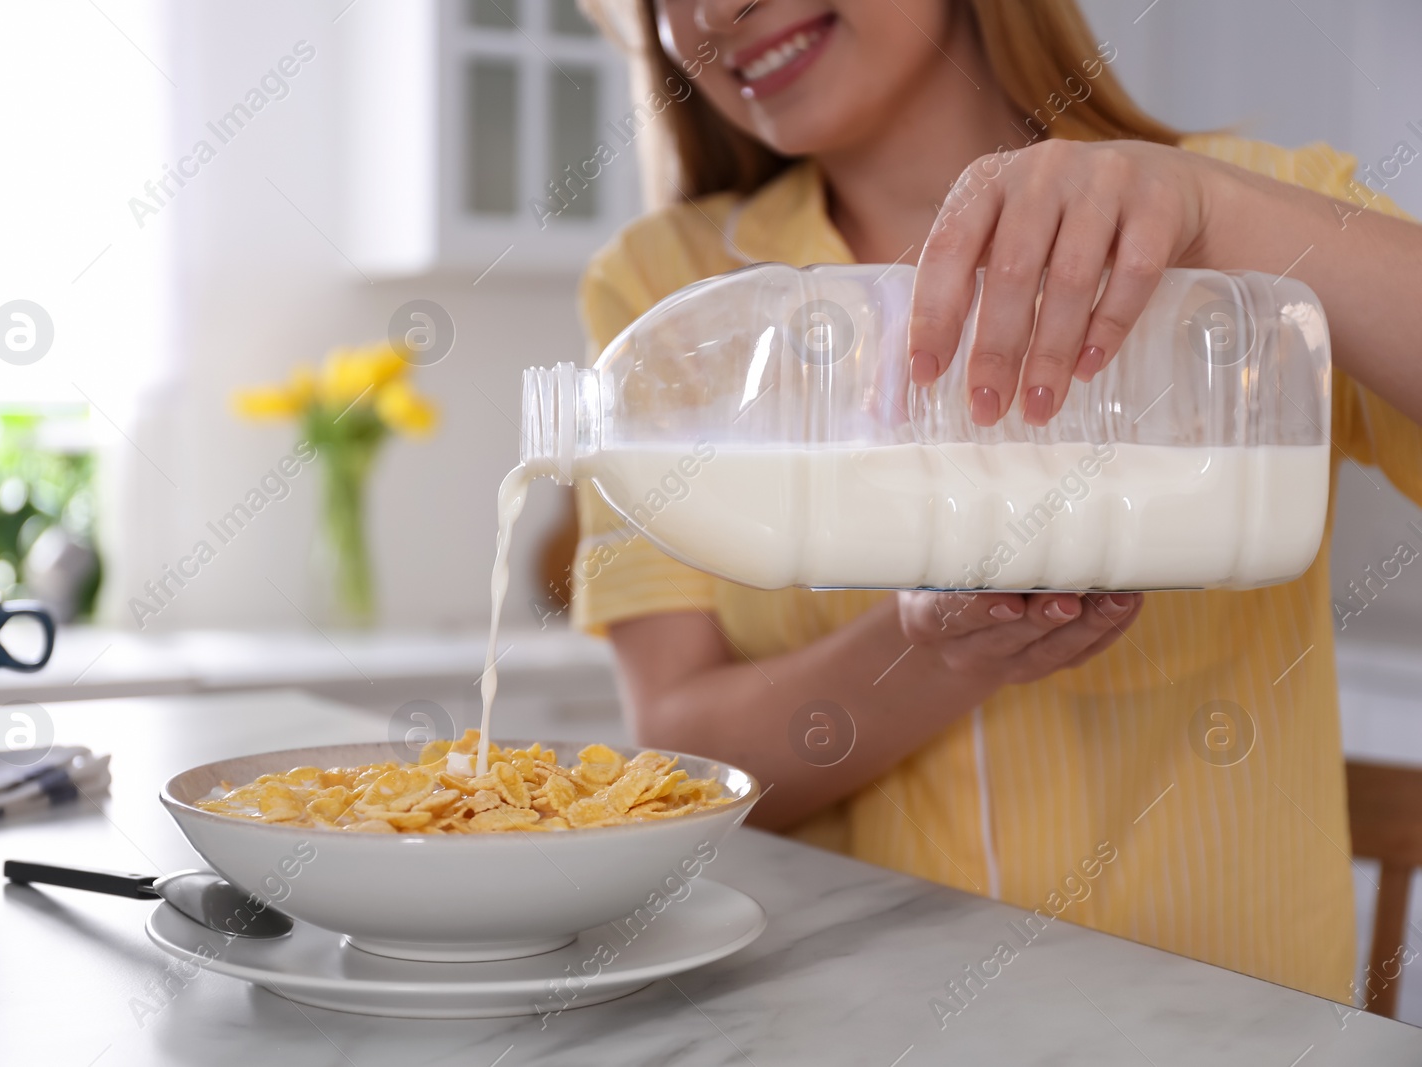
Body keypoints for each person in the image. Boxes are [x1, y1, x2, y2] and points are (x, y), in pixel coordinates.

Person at [571, 0, 1422, 1003]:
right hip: (845, 1019)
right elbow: (683, 747)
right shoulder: (663, 281)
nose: (714, 11)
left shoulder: (1251, 215)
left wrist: (1216, 211)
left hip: (1216, 1029)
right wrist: (927, 648)